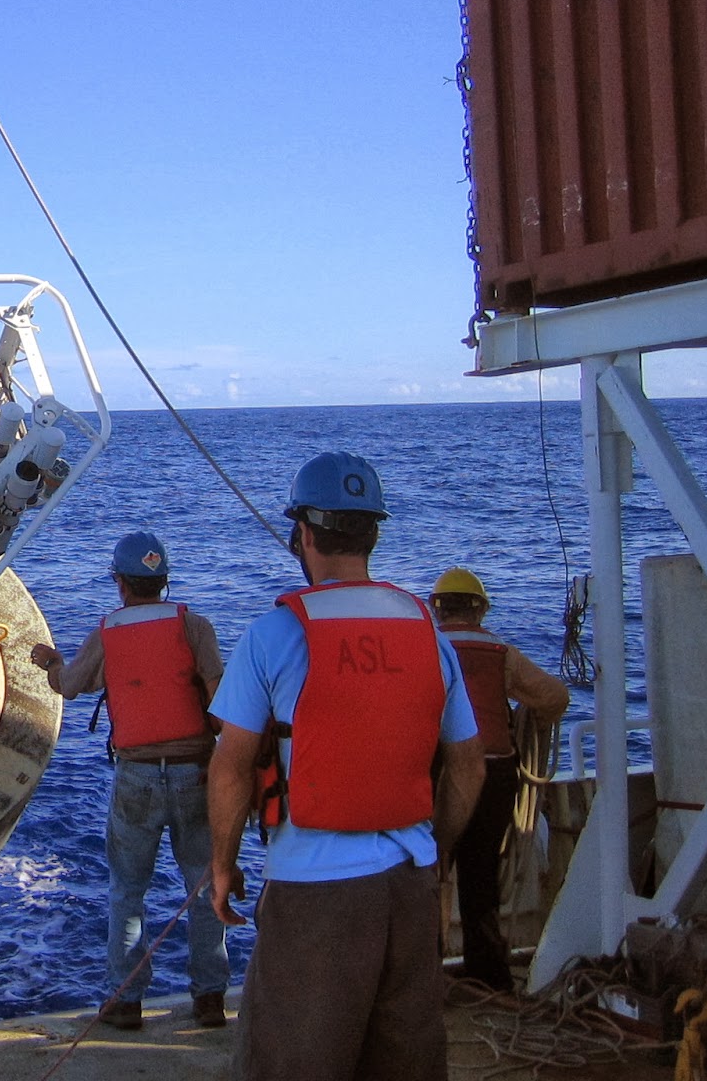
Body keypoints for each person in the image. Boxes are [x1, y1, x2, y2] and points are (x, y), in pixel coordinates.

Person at [206, 452, 485, 1081]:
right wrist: (431, 851)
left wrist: (222, 866)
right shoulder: (428, 632)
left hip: (313, 896)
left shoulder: (273, 635)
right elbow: (468, 765)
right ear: (374, 533)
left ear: (301, 533)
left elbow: (230, 768)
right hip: (409, 889)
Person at [29, 530, 230, 1031]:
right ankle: (209, 999)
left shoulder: (107, 633)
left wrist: (53, 663)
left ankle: (125, 1000)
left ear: (120, 584)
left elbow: (71, 688)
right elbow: (223, 707)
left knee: (127, 892)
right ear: (163, 582)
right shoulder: (194, 627)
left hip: (137, 777)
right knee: (204, 886)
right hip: (197, 772)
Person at [430, 566, 569, 992]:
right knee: (481, 872)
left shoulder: (424, 648)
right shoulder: (501, 653)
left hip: (437, 773)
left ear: (437, 609)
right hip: (494, 774)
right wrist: (528, 717)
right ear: (481, 610)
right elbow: (555, 697)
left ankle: (424, 978)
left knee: (430, 873)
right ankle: (488, 976)